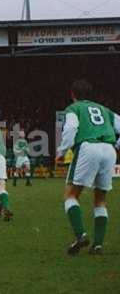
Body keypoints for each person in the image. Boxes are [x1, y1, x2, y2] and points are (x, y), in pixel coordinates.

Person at [56, 80, 120, 255]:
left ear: (72, 94)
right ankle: (97, 245)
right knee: (100, 199)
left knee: (70, 195)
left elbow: (70, 130)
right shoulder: (105, 109)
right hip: (109, 149)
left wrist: (62, 151)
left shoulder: (73, 108)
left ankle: (80, 235)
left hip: (88, 147)